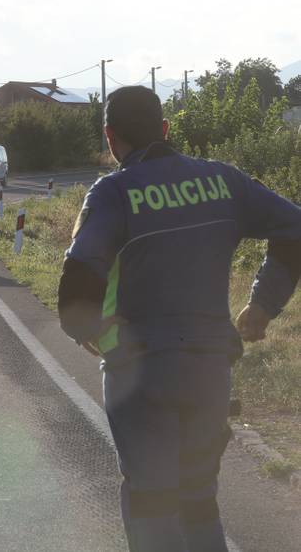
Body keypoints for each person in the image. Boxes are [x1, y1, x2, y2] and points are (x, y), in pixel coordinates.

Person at [57, 85, 301, 552]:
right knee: (198, 500)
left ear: (110, 137)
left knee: (151, 499)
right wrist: (263, 304)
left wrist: (84, 328)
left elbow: (79, 274)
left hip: (139, 370)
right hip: (209, 369)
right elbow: (295, 230)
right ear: (166, 129)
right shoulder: (223, 180)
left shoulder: (113, 191)